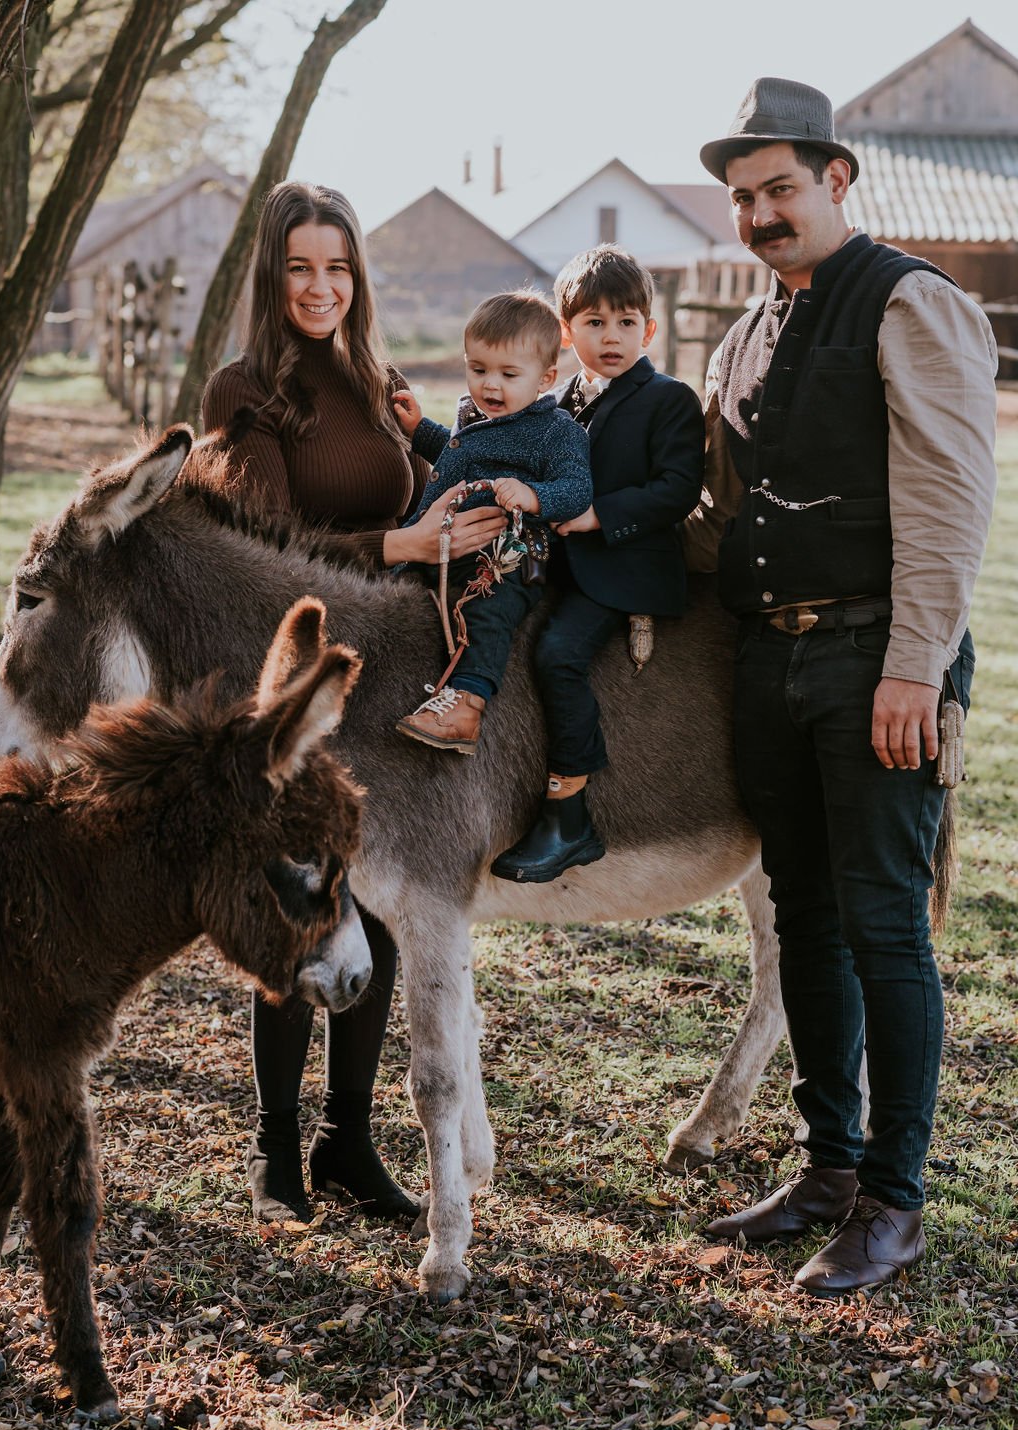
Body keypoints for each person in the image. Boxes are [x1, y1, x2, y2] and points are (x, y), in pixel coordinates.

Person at [689, 80, 997, 1294]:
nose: (760, 213)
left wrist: (915, 663)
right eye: (742, 198)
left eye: (779, 188)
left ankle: (893, 1201)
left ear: (836, 179)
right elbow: (720, 515)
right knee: (802, 918)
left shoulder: (912, 302)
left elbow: (946, 499)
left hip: (879, 656)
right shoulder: (746, 330)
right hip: (770, 657)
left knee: (881, 923)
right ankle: (826, 1165)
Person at [202, 181, 508, 1225]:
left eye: (337, 266)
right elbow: (259, 553)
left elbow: (418, 492)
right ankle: (277, 1151)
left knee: (374, 918)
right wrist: (399, 547)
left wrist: (442, 470)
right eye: (300, 267)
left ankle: (347, 1140)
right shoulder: (241, 391)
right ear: (272, 275)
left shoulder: (377, 383)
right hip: (290, 684)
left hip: (384, 687)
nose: (321, 285)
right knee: (303, 909)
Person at [490, 245, 705, 882]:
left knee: (558, 653)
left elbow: (677, 488)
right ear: (566, 330)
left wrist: (597, 516)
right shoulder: (556, 403)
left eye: (625, 322)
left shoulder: (668, 400)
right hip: (554, 561)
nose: (611, 337)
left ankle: (568, 814)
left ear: (650, 328)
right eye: (594, 323)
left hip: (623, 565)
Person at [393, 291, 593, 755]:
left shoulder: (557, 431)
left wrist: (535, 495)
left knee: (488, 609)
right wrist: (422, 430)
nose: (490, 386)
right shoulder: (476, 417)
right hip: (449, 544)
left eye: (508, 374)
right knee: (400, 588)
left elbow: (578, 489)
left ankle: (468, 702)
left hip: (508, 557)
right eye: (478, 370)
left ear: (545, 379)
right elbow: (461, 453)